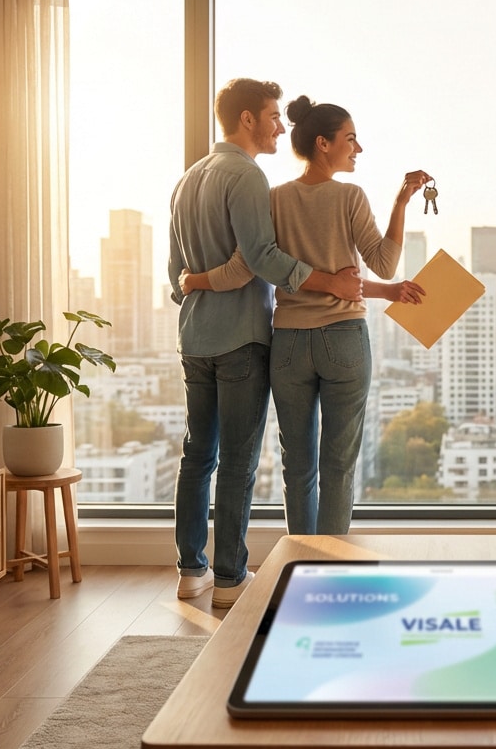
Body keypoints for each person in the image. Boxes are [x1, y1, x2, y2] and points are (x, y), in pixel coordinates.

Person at [180, 95, 430, 535]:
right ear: (323, 143)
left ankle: (300, 562)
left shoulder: (272, 198)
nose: (358, 148)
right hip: (344, 340)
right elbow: (383, 263)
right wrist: (401, 202)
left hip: (289, 344)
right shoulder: (350, 196)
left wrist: (194, 281)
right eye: (350, 139)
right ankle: (329, 569)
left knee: (297, 469)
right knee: (338, 465)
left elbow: (257, 265)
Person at [168, 78, 363, 609]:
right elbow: (260, 261)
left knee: (195, 456)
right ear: (248, 120)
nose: (282, 126)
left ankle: (191, 570)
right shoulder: (247, 176)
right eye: (274, 116)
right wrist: (332, 283)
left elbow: (174, 275)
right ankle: (230, 577)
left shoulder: (186, 181)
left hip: (194, 338)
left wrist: (195, 286)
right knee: (237, 460)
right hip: (240, 338)